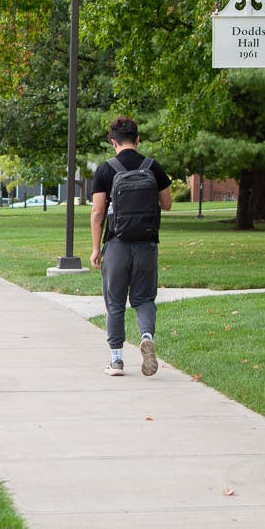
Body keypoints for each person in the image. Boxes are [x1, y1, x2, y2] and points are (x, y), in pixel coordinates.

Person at [89, 116, 172, 377]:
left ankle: (116, 362)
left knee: (115, 303)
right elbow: (167, 203)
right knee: (144, 298)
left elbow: (97, 213)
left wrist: (95, 248)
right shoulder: (152, 167)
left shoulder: (105, 169)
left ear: (113, 141)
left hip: (116, 245)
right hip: (146, 244)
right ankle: (146, 335)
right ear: (137, 139)